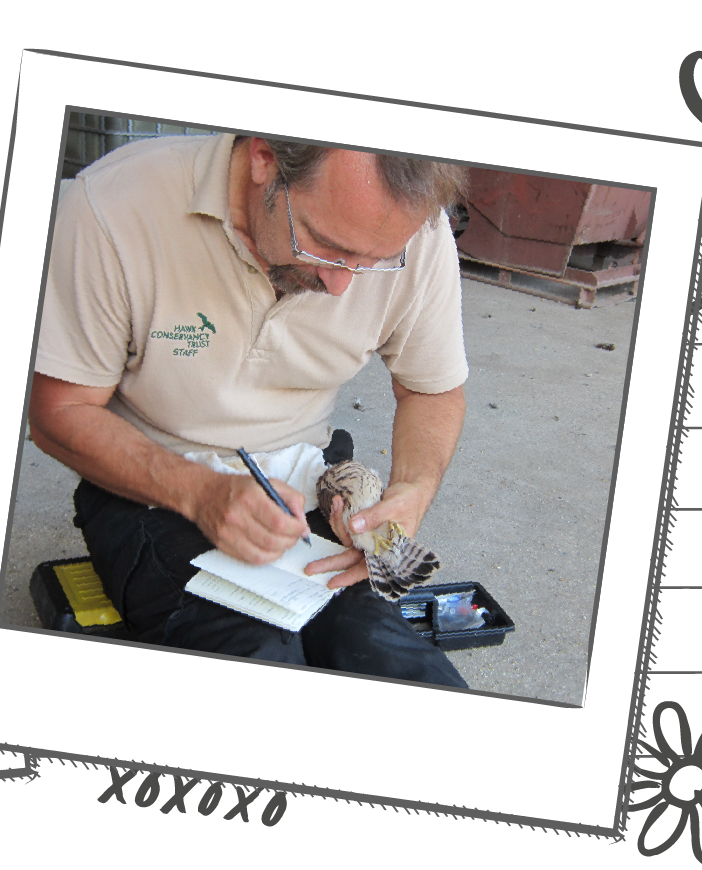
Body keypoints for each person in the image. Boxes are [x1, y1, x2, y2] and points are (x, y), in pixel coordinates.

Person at [29, 132, 471, 688]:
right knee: (255, 656)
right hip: (152, 479)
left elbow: (432, 390)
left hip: (307, 470)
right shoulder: (110, 208)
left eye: (373, 261)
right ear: (264, 159)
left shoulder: (418, 236)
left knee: (381, 650)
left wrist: (411, 492)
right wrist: (200, 493)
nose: (341, 285)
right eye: (324, 244)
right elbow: (58, 409)